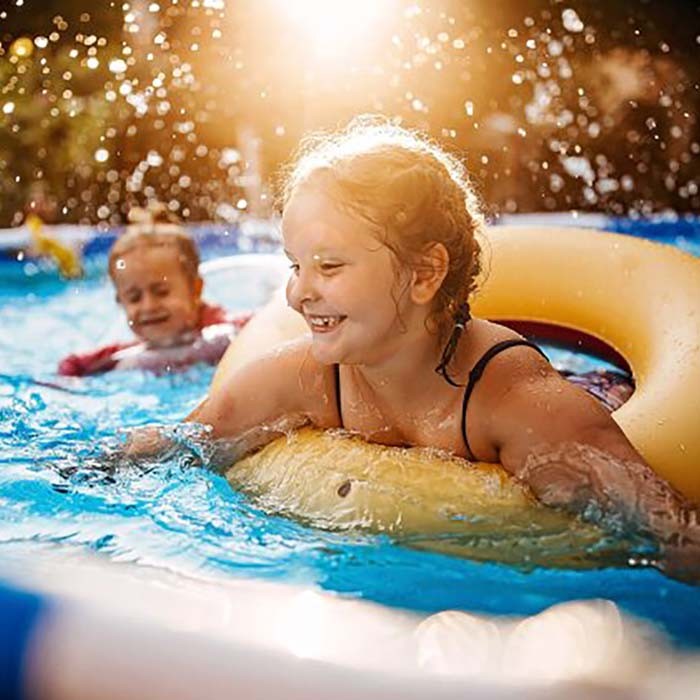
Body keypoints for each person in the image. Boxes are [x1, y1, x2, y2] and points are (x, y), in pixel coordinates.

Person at [135, 118, 698, 577]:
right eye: (295, 265)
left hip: (593, 388)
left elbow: (668, 532)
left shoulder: (515, 402)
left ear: (425, 272)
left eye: (328, 265)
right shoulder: (303, 377)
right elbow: (179, 442)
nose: (299, 292)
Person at [58, 204, 250, 377]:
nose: (148, 306)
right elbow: (71, 364)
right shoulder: (132, 350)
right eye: (134, 298)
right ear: (120, 303)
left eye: (161, 292)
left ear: (195, 291)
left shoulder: (224, 328)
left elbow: (260, 326)